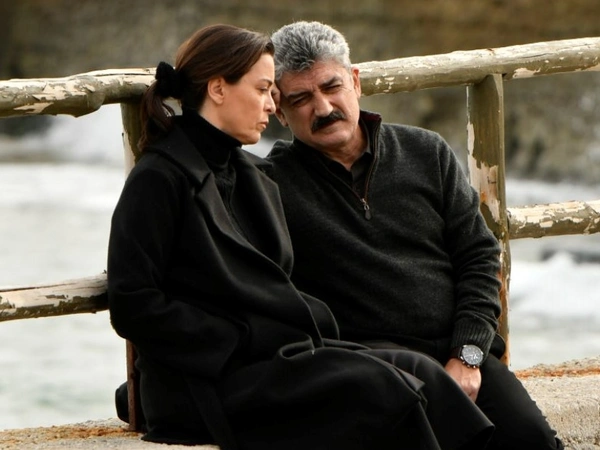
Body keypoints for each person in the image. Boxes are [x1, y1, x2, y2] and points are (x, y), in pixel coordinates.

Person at [108, 24, 495, 449]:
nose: (271, 104)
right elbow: (132, 303)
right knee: (381, 387)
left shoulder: (249, 174)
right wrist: (241, 338)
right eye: (263, 89)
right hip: (207, 380)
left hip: (274, 358)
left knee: (417, 374)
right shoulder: (159, 178)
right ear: (218, 89)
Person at [267, 21, 564, 450]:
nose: (323, 107)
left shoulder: (426, 151)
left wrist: (468, 355)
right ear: (279, 111)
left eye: (332, 87)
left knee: (532, 441)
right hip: (373, 368)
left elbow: (479, 257)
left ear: (355, 81)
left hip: (459, 351)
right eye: (300, 99)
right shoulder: (270, 185)